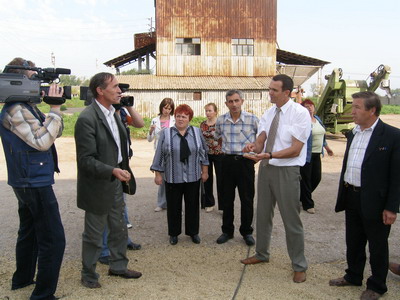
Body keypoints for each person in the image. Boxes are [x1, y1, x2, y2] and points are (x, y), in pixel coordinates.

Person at [0, 57, 66, 300]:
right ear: (16, 80)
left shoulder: (25, 106)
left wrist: (53, 114)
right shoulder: (16, 109)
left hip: (28, 178)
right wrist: (56, 110)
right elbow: (42, 141)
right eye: (32, 78)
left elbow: (53, 131)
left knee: (29, 231)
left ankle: (23, 279)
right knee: (53, 238)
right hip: (33, 181)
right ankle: (43, 295)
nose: (36, 84)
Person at [328, 91, 400, 300]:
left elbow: (397, 176)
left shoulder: (392, 136)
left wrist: (391, 207)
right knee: (354, 240)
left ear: (372, 110)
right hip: (351, 194)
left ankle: (377, 285)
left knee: (377, 244)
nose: (353, 111)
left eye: (357, 107)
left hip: (376, 201)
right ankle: (353, 276)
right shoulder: (354, 133)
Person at [240, 74, 311, 284]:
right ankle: (262, 253)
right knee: (262, 214)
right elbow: (262, 138)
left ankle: (299, 265)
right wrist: (254, 147)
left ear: (286, 93)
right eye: (269, 88)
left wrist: (269, 155)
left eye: (274, 90)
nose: (270, 92)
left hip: (287, 171)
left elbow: (296, 149)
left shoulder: (300, 114)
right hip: (266, 168)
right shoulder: (270, 112)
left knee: (291, 219)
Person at [75, 72, 142, 289]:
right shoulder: (87, 118)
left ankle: (118, 266)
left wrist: (122, 170)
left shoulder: (115, 113)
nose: (119, 91)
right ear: (100, 91)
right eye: (114, 87)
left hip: (116, 182)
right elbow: (85, 161)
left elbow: (120, 147)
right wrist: (112, 170)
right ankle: (89, 274)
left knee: (119, 227)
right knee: (94, 234)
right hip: (97, 185)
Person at [150, 104, 209, 245]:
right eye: (178, 116)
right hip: (172, 177)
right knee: (173, 207)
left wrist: (205, 171)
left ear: (189, 118)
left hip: (193, 176)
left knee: (193, 206)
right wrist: (158, 174)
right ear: (174, 117)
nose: (180, 119)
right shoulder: (166, 133)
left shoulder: (196, 132)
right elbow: (159, 155)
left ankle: (193, 232)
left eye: (184, 116)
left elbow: (203, 153)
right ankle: (174, 233)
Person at [98, 103, 144, 265]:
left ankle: (124, 240)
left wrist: (128, 107)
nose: (119, 94)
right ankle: (103, 249)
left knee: (121, 206)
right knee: (105, 209)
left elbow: (140, 124)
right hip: (108, 166)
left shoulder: (123, 113)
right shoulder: (100, 113)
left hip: (122, 164)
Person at [215, 90, 259, 246]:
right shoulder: (221, 120)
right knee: (227, 199)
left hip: (245, 163)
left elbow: (260, 140)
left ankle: (247, 232)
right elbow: (218, 138)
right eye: (230, 101)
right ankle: (227, 231)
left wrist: (255, 156)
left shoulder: (252, 119)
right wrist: (224, 153)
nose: (234, 104)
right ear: (226, 103)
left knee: (247, 199)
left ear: (242, 101)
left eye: (236, 101)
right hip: (226, 162)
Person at [300, 99, 334, 214]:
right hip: (306, 155)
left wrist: (327, 148)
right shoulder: (302, 122)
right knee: (306, 179)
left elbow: (322, 136)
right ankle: (307, 204)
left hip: (317, 153)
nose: (309, 108)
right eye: (306, 106)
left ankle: (302, 196)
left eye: (311, 106)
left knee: (316, 178)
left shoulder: (318, 119)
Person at [147, 98, 175, 212]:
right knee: (161, 179)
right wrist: (150, 131)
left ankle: (174, 204)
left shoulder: (174, 120)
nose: (167, 110)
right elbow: (149, 139)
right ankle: (161, 203)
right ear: (161, 107)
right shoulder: (155, 120)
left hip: (172, 152)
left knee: (173, 179)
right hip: (160, 153)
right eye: (165, 107)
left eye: (169, 108)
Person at [200, 103, 224, 212]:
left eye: (210, 110)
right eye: (206, 111)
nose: (208, 113)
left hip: (220, 154)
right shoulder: (202, 124)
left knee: (221, 180)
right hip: (206, 155)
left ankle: (223, 206)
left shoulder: (221, 123)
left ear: (215, 111)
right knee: (207, 178)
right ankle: (209, 203)